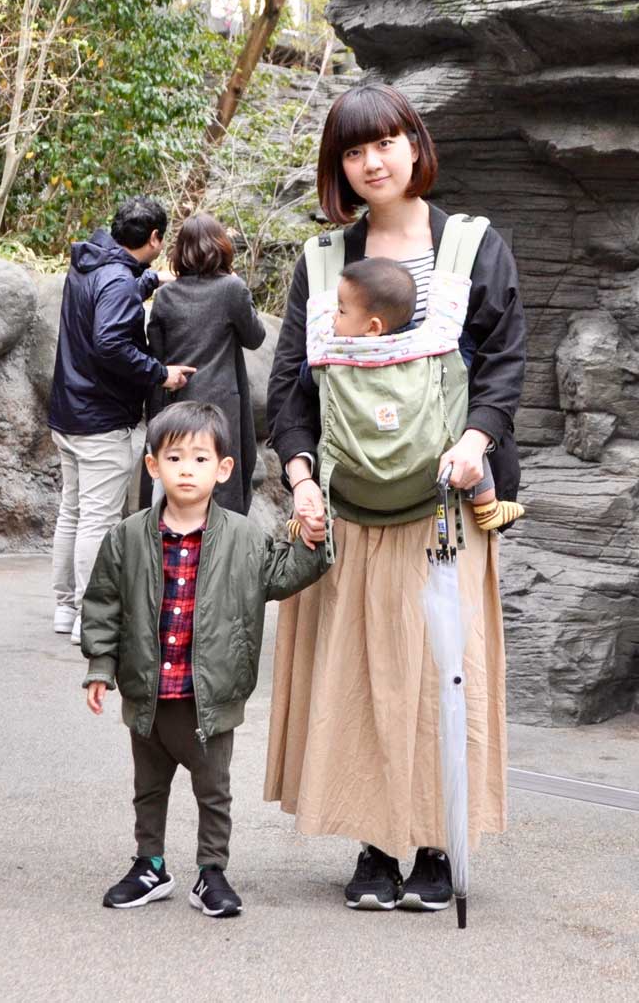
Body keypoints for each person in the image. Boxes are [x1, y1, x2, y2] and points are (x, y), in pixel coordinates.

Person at [264, 81, 526, 913]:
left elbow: (505, 363)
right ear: (337, 166)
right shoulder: (319, 264)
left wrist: (474, 441)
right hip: (345, 507)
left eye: (384, 141)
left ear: (415, 144)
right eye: (351, 149)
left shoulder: (476, 248)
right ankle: (376, 843)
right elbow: (287, 386)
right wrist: (300, 477)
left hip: (444, 509)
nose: (371, 161)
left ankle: (441, 841)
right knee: (364, 674)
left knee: (440, 669)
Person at [81, 402, 331, 918]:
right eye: (174, 458)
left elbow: (282, 578)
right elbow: (104, 604)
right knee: (148, 789)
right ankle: (149, 864)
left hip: (209, 695)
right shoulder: (127, 537)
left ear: (223, 469)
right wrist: (100, 668)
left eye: (199, 459)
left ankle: (211, 872)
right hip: (148, 692)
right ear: (153, 466)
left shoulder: (243, 536)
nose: (186, 469)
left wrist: (311, 540)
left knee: (212, 791)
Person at [48, 195, 195, 644]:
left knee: (71, 513)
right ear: (154, 238)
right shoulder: (116, 281)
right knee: (98, 519)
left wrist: (151, 279)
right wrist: (160, 373)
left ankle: (65, 607)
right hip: (100, 419)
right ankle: (91, 619)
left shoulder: (90, 262)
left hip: (67, 413)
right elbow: (111, 341)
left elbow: (118, 286)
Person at [321, 256, 525, 532]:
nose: (333, 317)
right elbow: (461, 361)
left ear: (373, 327)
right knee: (460, 436)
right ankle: (487, 505)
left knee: (469, 443)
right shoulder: (428, 346)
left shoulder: (334, 356)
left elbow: (303, 379)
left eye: (341, 311)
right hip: (432, 469)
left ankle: (309, 513)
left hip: (354, 488)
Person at [144, 213, 266, 517]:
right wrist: (242, 288)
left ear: (180, 251)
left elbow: (157, 353)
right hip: (222, 404)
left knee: (180, 482)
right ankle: (222, 558)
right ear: (221, 247)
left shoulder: (166, 295)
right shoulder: (231, 289)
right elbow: (255, 337)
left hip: (177, 404)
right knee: (222, 480)